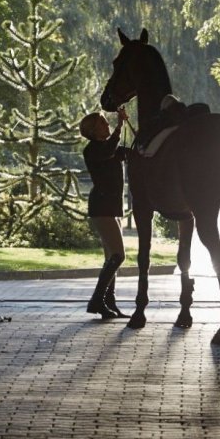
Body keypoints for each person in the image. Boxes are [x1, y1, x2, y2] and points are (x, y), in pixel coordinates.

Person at [80, 107, 130, 319]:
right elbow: (111, 149)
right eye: (103, 123)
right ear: (93, 130)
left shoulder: (105, 148)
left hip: (110, 207)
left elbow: (124, 152)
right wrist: (120, 126)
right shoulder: (93, 150)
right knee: (119, 255)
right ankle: (97, 300)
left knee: (111, 257)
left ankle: (109, 302)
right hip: (102, 207)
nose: (107, 125)